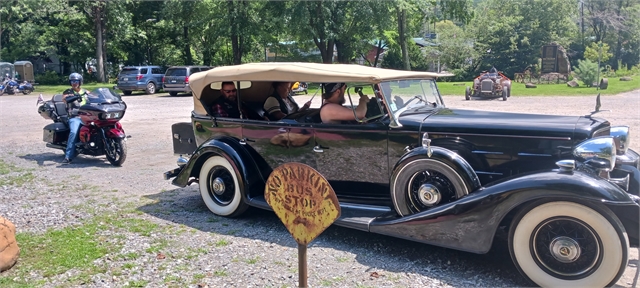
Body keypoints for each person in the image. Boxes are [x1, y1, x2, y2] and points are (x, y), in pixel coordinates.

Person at [61, 73, 90, 164]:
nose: (74, 83)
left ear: (80, 82)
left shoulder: (86, 91)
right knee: (73, 132)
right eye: (72, 81)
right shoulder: (68, 92)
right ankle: (68, 157)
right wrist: (72, 97)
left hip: (88, 116)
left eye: (76, 81)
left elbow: (97, 96)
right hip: (75, 117)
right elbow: (64, 99)